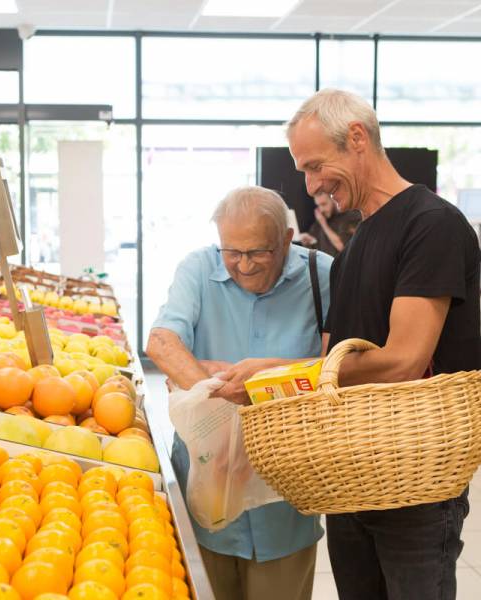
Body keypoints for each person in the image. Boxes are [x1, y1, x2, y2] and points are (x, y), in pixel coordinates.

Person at [287, 88, 480, 600]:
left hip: (415, 478)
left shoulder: (431, 224)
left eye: (315, 166)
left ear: (357, 139)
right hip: (351, 477)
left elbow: (403, 360)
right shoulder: (354, 249)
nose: (310, 187)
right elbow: (333, 359)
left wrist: (288, 375)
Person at [146, 186, 333, 600]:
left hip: (285, 490)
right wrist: (218, 423)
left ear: (286, 239)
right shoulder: (198, 268)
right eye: (232, 252)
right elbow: (162, 343)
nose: (243, 266)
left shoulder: (323, 276)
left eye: (258, 253)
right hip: (208, 481)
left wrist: (255, 377)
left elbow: (339, 369)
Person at [300, 192, 360, 257]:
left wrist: (324, 225)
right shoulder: (318, 224)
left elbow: (344, 248)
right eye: (318, 205)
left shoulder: (351, 217)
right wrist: (307, 243)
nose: (321, 209)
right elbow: (314, 255)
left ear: (334, 200)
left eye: (324, 204)